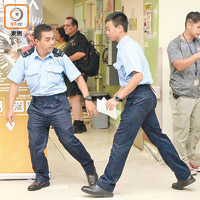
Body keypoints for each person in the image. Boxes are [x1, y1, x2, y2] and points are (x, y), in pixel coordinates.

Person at [81, 12, 196, 198]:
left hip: (140, 98)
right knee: (158, 138)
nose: (107, 32)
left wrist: (117, 98)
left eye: (108, 29)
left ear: (119, 28)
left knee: (121, 141)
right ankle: (183, 175)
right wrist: (120, 95)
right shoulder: (125, 46)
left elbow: (137, 76)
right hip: (143, 96)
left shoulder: (127, 48)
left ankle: (105, 185)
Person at [6, 24, 98, 191]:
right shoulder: (25, 59)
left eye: (53, 39)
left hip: (58, 104)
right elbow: (14, 84)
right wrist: (10, 109)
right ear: (36, 41)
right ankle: (42, 177)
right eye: (47, 39)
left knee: (68, 140)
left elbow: (78, 78)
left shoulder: (60, 57)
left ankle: (90, 168)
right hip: (37, 106)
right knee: (35, 144)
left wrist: (88, 99)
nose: (51, 43)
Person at [167, 11, 200, 175]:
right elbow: (179, 65)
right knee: (181, 130)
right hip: (182, 94)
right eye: (198, 27)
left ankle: (190, 158)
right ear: (188, 25)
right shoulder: (175, 44)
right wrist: (196, 56)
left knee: (196, 128)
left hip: (197, 93)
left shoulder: (198, 42)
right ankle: (181, 162)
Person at [63, 16, 88, 133]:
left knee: (75, 98)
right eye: (64, 25)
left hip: (77, 73)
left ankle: (78, 124)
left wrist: (66, 60)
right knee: (73, 98)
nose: (65, 28)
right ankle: (79, 123)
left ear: (75, 27)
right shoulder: (70, 39)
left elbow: (81, 53)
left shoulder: (80, 38)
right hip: (71, 73)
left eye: (68, 25)